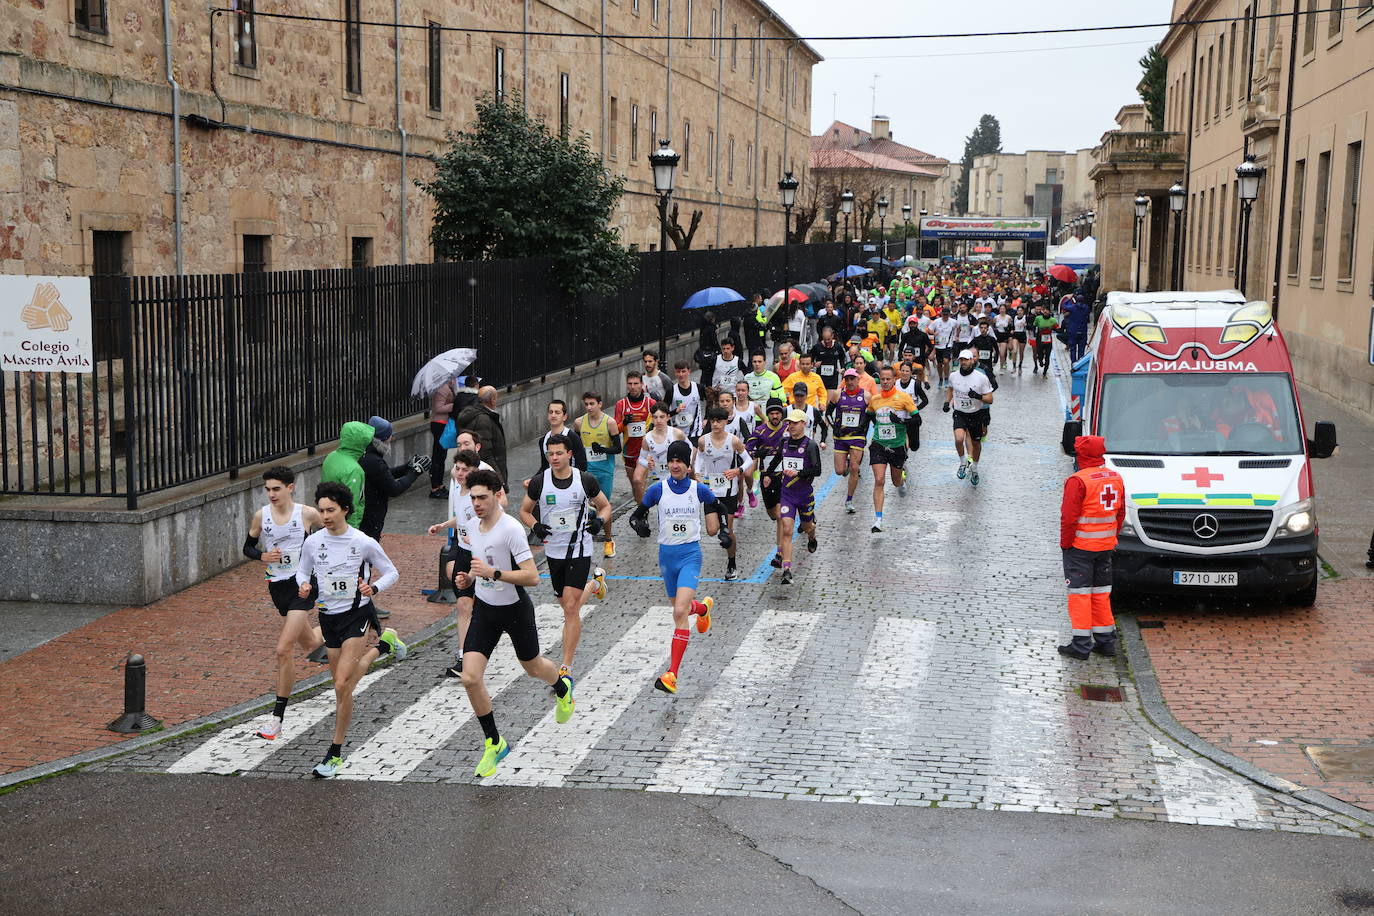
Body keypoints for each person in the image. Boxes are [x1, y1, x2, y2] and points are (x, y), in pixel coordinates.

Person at [456, 470, 575, 777]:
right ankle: (494, 742)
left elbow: (532, 577)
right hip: (485, 610)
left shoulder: (511, 530)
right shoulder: (471, 525)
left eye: (482, 497)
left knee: (533, 667)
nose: (477, 504)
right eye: (473, 498)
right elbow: (478, 564)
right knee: (470, 678)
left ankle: (562, 687)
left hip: (514, 609)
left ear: (497, 495)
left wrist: (493, 573)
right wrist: (468, 577)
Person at [295, 481, 408, 778]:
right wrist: (303, 585)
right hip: (328, 617)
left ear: (345, 509)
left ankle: (335, 752)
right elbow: (302, 570)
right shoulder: (313, 541)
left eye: (331, 510)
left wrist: (374, 587)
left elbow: (392, 572)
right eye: (321, 510)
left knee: (343, 684)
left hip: (357, 614)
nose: (326, 515)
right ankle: (383, 645)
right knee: (341, 689)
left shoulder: (363, 542)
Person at [628, 440, 728, 694]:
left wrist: (724, 531)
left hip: (689, 556)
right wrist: (639, 524)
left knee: (678, 612)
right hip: (666, 557)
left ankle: (672, 673)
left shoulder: (699, 490)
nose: (674, 465)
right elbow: (636, 514)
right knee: (679, 608)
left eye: (679, 461)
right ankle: (703, 609)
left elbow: (720, 507)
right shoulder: (657, 490)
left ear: (687, 464)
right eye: (671, 461)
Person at [243, 466, 325, 740]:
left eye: (276, 488)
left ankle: (276, 719)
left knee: (283, 649)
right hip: (277, 587)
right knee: (312, 644)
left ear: (290, 487)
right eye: (267, 489)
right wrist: (261, 557)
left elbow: (333, 534)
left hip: (302, 585)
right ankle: (347, 630)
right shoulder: (261, 516)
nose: (271, 494)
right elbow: (248, 547)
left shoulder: (307, 514)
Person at [521, 435, 612, 681]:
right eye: (550, 454)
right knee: (566, 604)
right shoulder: (540, 482)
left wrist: (599, 521)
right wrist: (535, 526)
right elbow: (524, 511)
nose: (554, 458)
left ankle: (566, 668)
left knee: (571, 608)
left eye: (559, 453)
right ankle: (594, 584)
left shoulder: (584, 480)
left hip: (579, 548)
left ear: (569, 454)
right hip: (554, 551)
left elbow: (605, 506)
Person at [1057, 435, 1126, 659]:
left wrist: (1066, 545)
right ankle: (1106, 641)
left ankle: (1081, 644)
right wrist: (1111, 538)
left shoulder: (1078, 481)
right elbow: (1120, 513)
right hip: (1105, 547)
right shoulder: (1115, 478)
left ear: (1080, 455)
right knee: (1101, 593)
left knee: (1080, 594)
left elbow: (1069, 519)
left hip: (1081, 547)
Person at [359, 416, 429, 617]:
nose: (390, 441)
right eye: (389, 438)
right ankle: (364, 604)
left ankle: (364, 603)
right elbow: (394, 487)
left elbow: (384, 474)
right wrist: (415, 472)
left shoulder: (366, 455)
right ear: (382, 439)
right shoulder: (373, 459)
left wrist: (406, 467)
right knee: (364, 564)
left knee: (361, 563)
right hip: (369, 519)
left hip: (365, 516)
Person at [429, 449, 483, 678]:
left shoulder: (479, 494)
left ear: (474, 472)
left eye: (465, 470)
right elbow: (461, 520)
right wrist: (443, 525)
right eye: (458, 469)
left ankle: (479, 650)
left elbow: (494, 517)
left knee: (483, 606)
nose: (460, 473)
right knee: (463, 605)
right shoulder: (459, 490)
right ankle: (463, 657)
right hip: (463, 552)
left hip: (480, 555)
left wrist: (479, 536)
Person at [696, 407, 753, 580]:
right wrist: (697, 474)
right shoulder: (703, 441)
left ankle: (732, 563)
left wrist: (738, 470)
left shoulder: (734, 441)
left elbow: (749, 460)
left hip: (729, 490)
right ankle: (722, 528)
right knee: (712, 531)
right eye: (712, 421)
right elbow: (698, 458)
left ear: (725, 422)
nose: (715, 424)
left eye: (719, 421)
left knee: (728, 531)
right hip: (710, 490)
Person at [767, 409, 821, 585]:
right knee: (787, 528)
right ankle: (787, 569)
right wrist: (768, 474)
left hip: (804, 495)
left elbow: (817, 470)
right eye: (789, 423)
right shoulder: (784, 442)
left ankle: (812, 535)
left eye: (795, 423)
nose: (791, 426)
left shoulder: (810, 445)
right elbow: (776, 460)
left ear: (804, 424)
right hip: (787, 495)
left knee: (807, 526)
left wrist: (799, 472)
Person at [867, 365, 918, 532]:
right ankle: (878, 520)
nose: (886, 382)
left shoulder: (903, 398)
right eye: (882, 379)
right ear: (879, 380)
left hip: (897, 446)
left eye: (889, 379)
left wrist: (901, 422)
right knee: (879, 480)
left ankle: (901, 482)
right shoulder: (875, 400)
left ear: (894, 379)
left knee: (896, 482)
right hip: (879, 444)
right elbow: (868, 417)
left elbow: (918, 420)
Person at [574, 390, 622, 559]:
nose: (589, 407)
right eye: (586, 404)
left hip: (605, 470)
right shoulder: (579, 423)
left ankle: (608, 540)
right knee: (582, 504)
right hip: (587, 471)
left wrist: (602, 449)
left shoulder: (609, 423)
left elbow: (618, 448)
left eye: (592, 404)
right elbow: (577, 448)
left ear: (600, 404)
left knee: (605, 505)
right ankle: (583, 537)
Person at [944, 349, 995, 486]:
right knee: (959, 438)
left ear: (972, 360)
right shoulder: (954, 376)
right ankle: (962, 462)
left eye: (966, 360)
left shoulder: (981, 377)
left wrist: (977, 396)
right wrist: (947, 402)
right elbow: (950, 388)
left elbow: (990, 399)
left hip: (976, 414)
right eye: (961, 360)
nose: (964, 362)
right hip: (960, 413)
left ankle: (975, 468)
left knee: (976, 444)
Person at [828, 368, 871, 514]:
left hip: (857, 437)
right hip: (841, 437)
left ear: (858, 379)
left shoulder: (866, 396)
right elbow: (827, 413)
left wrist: (863, 430)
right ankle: (845, 464)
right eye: (847, 379)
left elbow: (871, 416)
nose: (850, 382)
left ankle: (849, 500)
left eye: (853, 379)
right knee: (840, 471)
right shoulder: (838, 394)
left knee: (854, 467)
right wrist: (834, 427)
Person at [320, 420, 374, 528]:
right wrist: (352, 530)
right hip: (343, 524)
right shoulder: (354, 469)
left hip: (328, 516)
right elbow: (352, 504)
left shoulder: (331, 456)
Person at [615, 370, 657, 506]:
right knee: (635, 485)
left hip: (645, 451)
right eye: (630, 383)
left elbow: (659, 424)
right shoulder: (621, 404)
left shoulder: (650, 403)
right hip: (628, 452)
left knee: (640, 481)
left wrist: (651, 430)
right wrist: (624, 422)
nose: (632, 387)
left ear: (642, 384)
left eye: (636, 383)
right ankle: (641, 505)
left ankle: (641, 512)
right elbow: (615, 430)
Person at [455, 385, 509, 484]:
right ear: (492, 400)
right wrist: (499, 480)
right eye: (496, 398)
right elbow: (486, 453)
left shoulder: (472, 414)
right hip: (482, 475)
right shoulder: (483, 420)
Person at [635, 402, 690, 493]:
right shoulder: (647, 438)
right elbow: (641, 459)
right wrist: (647, 463)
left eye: (662, 417)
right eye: (655, 417)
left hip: (676, 476)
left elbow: (689, 447)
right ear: (652, 419)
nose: (659, 420)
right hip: (657, 478)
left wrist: (688, 464)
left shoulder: (677, 433)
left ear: (668, 417)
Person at [530, 399, 588, 480]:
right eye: (551, 412)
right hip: (552, 483)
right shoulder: (543, 440)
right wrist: (533, 480)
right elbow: (545, 466)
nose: (553, 415)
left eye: (557, 412)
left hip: (571, 482)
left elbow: (582, 465)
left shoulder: (573, 437)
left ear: (564, 416)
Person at [428, 376, 456, 498]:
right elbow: (438, 408)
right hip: (439, 424)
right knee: (438, 455)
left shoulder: (445, 387)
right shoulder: (441, 389)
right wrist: (453, 406)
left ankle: (439, 485)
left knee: (441, 454)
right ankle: (435, 487)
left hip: (441, 423)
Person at [894, 359, 929, 451]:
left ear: (910, 372)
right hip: (899, 418)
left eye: (907, 371)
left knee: (914, 446)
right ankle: (903, 457)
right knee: (901, 440)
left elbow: (925, 400)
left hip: (911, 419)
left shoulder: (915, 384)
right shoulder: (895, 384)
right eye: (903, 371)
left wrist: (915, 409)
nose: (904, 373)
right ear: (899, 371)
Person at [810, 324, 846, 392]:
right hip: (820, 378)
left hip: (833, 378)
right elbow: (809, 360)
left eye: (828, 339)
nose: (827, 341)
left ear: (832, 336)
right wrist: (814, 364)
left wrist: (842, 368)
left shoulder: (837, 347)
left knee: (831, 398)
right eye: (825, 339)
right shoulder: (817, 347)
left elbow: (842, 358)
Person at [931, 307, 958, 386]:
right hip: (938, 346)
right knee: (939, 364)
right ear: (941, 314)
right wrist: (933, 333)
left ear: (949, 314)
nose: (945, 316)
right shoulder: (936, 321)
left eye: (947, 315)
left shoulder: (953, 322)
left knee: (946, 361)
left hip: (948, 345)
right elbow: (929, 330)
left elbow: (958, 327)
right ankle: (940, 378)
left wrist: (956, 336)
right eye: (944, 314)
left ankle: (946, 377)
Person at [1062, 293, 1092, 363]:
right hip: (1083, 330)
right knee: (1081, 349)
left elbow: (1064, 305)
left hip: (1073, 330)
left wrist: (1068, 299)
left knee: (1073, 348)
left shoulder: (1072, 307)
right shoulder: (1086, 308)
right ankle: (1080, 363)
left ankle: (1073, 363)